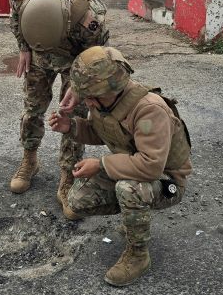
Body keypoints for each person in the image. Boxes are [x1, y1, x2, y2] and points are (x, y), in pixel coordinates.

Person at [48, 46, 192, 286]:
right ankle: (133, 215)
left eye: (93, 96)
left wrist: (101, 164)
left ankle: (138, 255)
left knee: (129, 189)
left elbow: (151, 166)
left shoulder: (148, 109)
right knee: (75, 202)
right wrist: (72, 127)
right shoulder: (106, 100)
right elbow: (103, 132)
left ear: (113, 88)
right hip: (130, 165)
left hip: (166, 180)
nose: (89, 101)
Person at [8, 0, 110, 217]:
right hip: (37, 54)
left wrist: (78, 84)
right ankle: (29, 160)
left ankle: (67, 175)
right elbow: (14, 18)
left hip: (74, 59)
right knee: (32, 109)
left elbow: (95, 55)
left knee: (72, 115)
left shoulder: (91, 20)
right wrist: (24, 46)